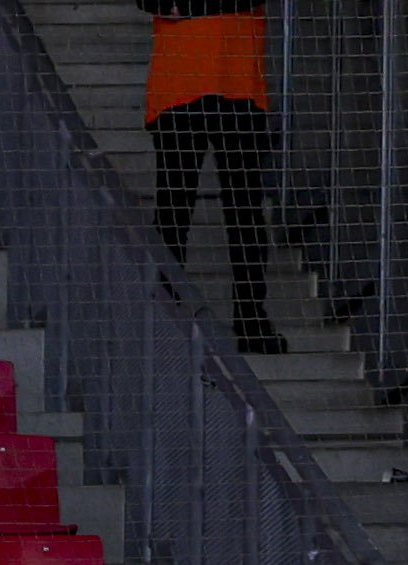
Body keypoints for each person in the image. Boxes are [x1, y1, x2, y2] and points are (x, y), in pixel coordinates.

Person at [138, 0, 283, 354]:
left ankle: (249, 318)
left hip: (231, 85)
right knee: (176, 209)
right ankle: (171, 315)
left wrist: (186, 7)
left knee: (243, 212)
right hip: (189, 85)